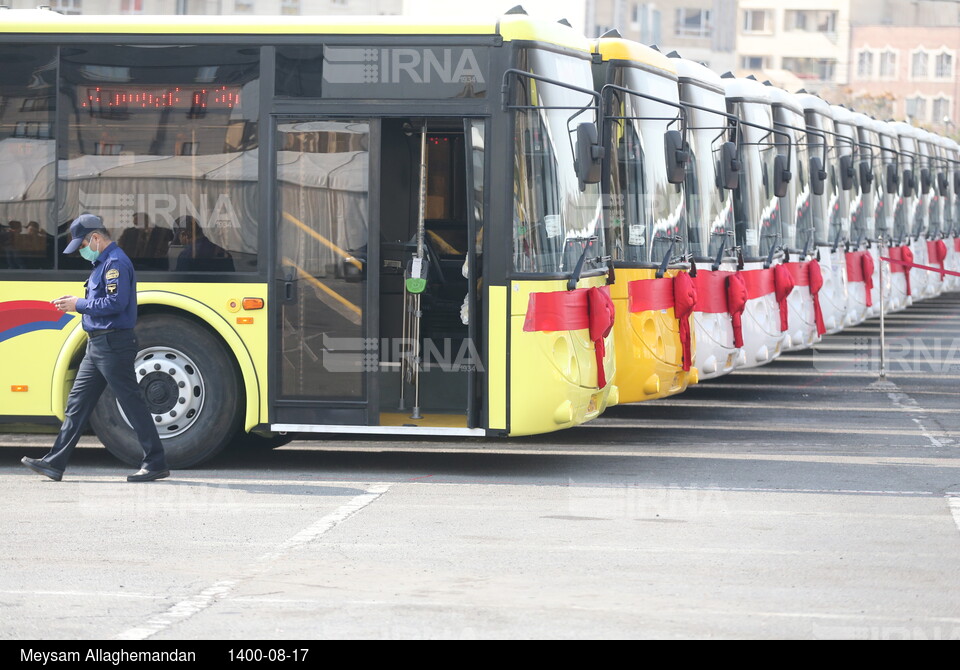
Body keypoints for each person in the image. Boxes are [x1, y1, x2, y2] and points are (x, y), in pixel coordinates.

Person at [20, 214, 169, 483]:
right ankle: (55, 462)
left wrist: (78, 304)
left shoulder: (115, 264)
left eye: (82, 245)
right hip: (98, 344)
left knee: (131, 403)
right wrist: (78, 303)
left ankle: (155, 461)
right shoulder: (103, 263)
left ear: (97, 239)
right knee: (77, 403)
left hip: (113, 344)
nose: (81, 251)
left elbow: (115, 304)